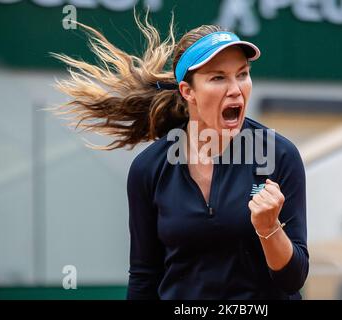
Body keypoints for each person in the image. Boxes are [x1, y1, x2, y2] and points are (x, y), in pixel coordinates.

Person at [49, 13, 309, 300]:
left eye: (242, 74)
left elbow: (293, 279)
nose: (235, 89)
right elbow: (144, 276)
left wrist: (269, 228)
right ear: (188, 91)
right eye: (218, 78)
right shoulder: (149, 168)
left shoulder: (280, 155)